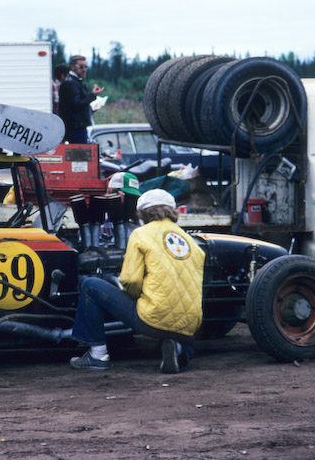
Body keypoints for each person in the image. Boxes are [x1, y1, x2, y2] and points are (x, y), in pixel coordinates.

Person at [69, 189, 205, 374]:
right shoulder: (191, 242)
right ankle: (179, 348)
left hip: (152, 319)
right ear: (172, 211)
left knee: (90, 286)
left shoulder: (141, 235)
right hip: (189, 324)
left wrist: (138, 297)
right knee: (182, 334)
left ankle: (98, 355)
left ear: (142, 212)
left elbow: (129, 280)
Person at [58, 55, 104, 144]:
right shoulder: (71, 83)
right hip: (75, 129)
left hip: (76, 127)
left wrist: (90, 109)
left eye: (85, 67)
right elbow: (76, 105)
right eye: (81, 67)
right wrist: (92, 95)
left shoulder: (75, 82)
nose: (84, 69)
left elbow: (76, 104)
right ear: (72, 66)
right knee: (80, 156)